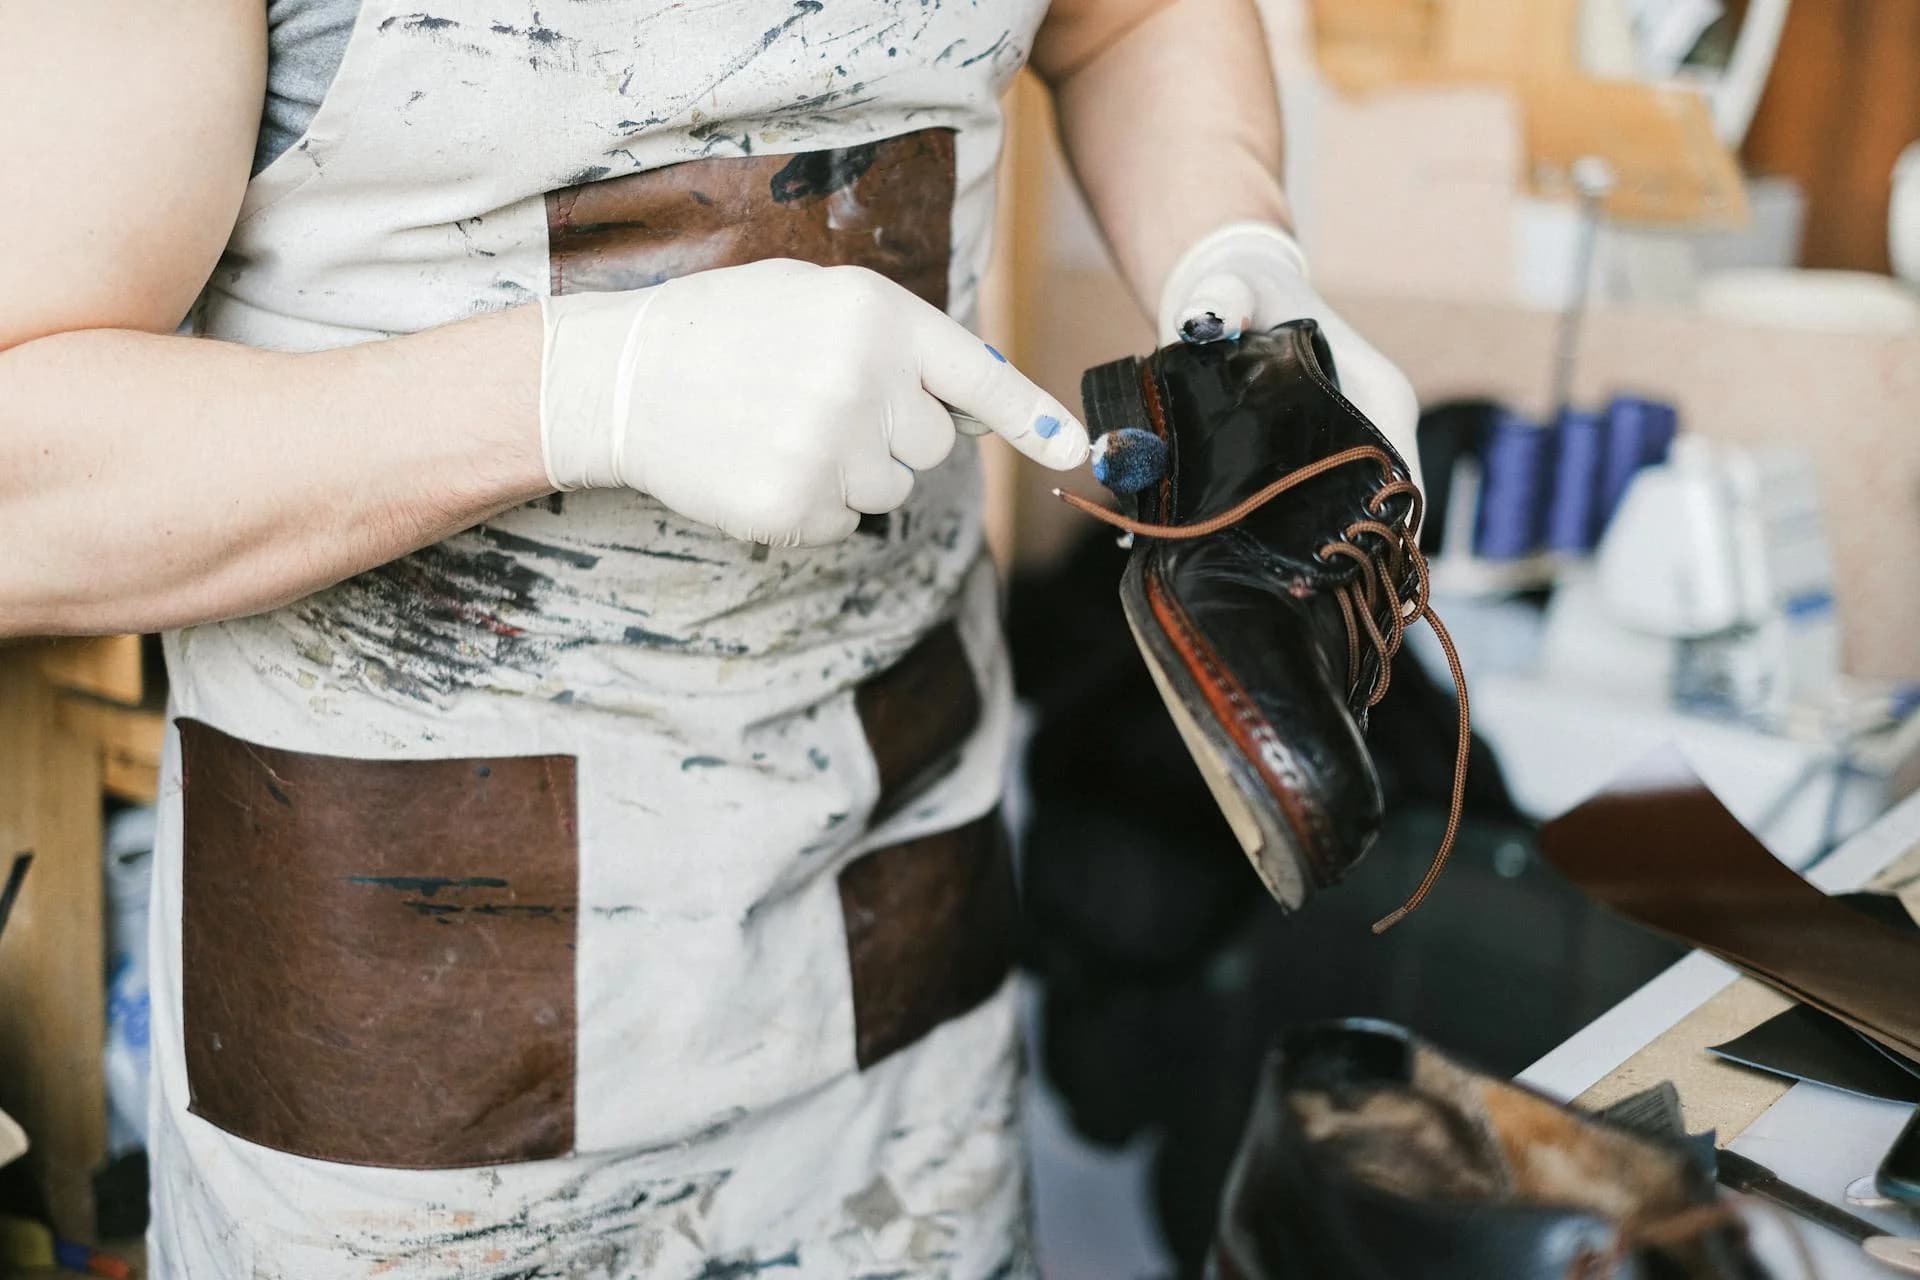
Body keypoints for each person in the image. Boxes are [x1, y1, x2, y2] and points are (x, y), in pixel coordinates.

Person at [0, 0, 1419, 1274]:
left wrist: (1240, 259)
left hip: (906, 975)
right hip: (414, 1079)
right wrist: (588, 393)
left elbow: (1126, 21)